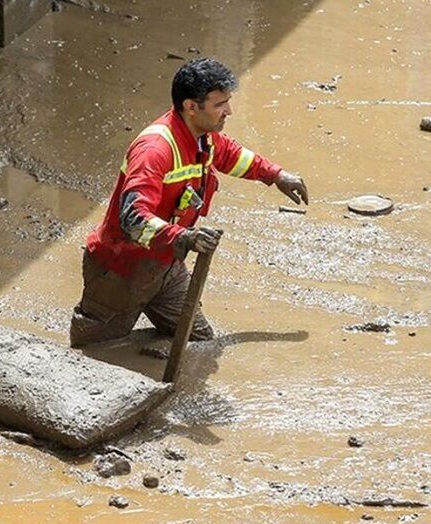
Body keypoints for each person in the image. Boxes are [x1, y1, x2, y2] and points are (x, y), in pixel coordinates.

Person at [70, 58, 309, 346]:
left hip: (167, 266)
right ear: (191, 106)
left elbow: (231, 155)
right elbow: (132, 218)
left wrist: (276, 175)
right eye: (220, 104)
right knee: (95, 348)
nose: (228, 111)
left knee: (197, 342)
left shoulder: (203, 137)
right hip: (122, 270)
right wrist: (184, 237)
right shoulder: (155, 150)